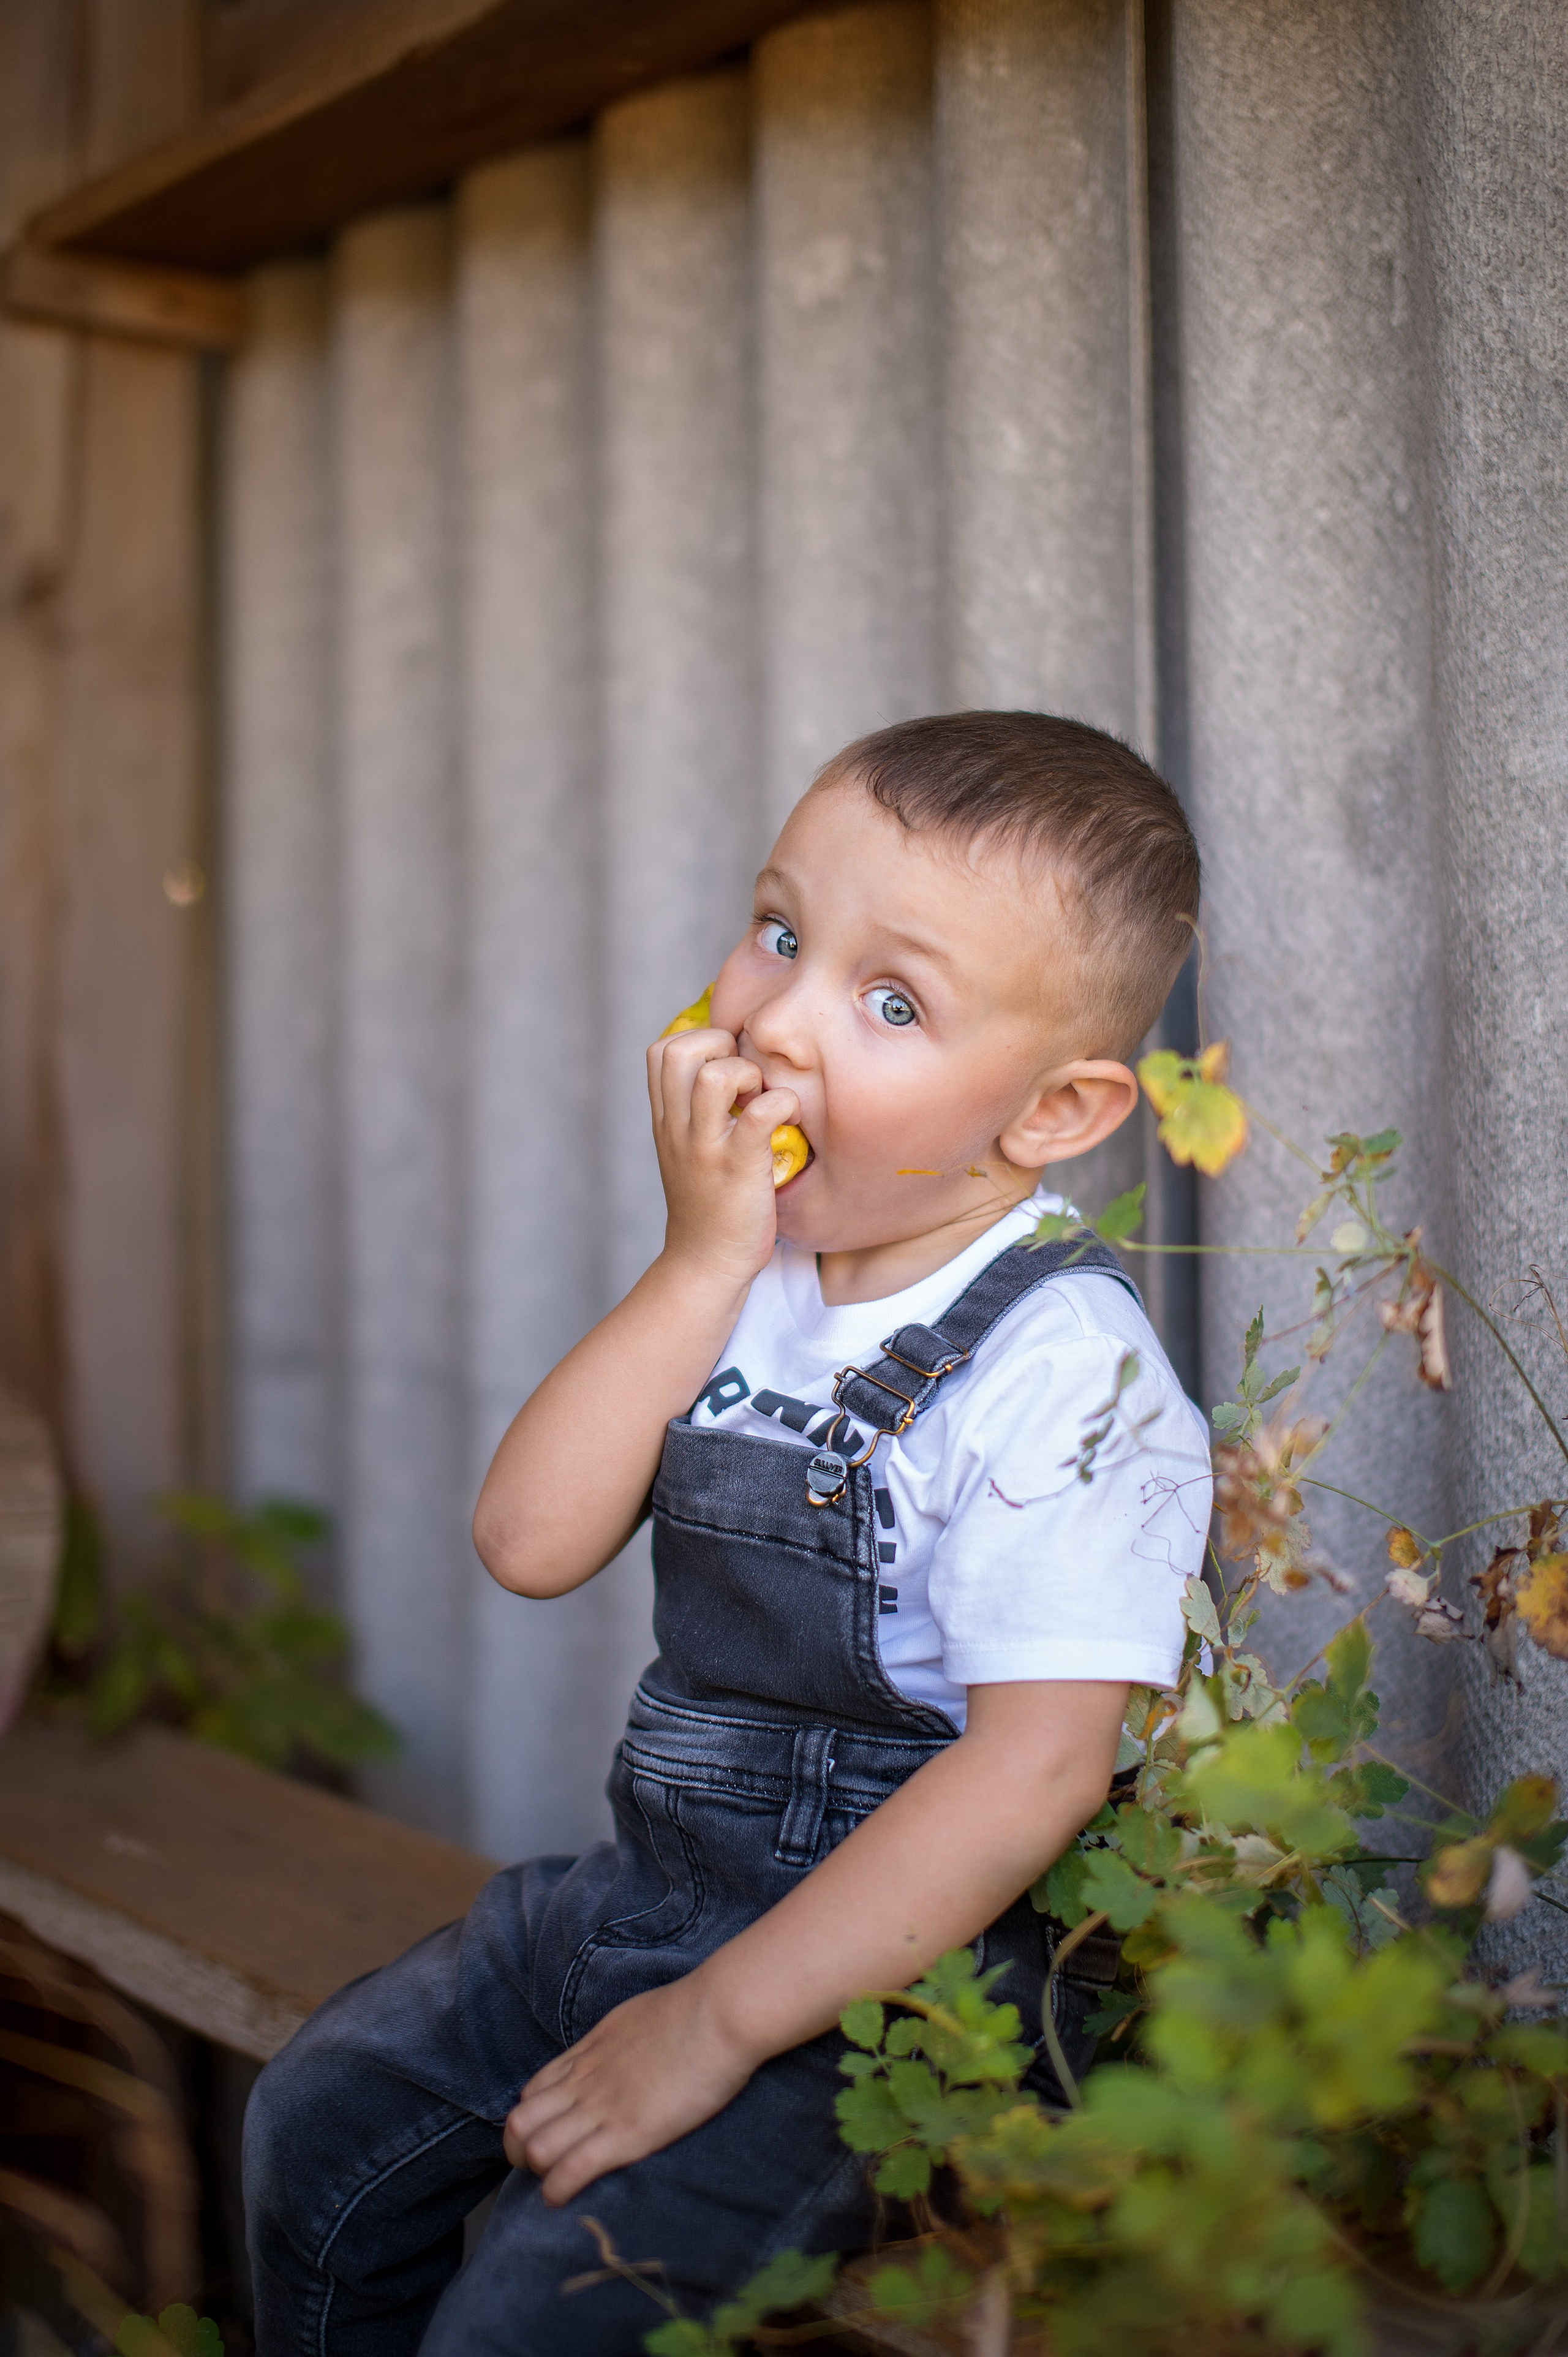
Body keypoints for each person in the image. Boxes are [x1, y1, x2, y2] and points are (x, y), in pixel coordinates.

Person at [244, 710, 1212, 2355]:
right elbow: (528, 1542)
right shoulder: (748, 1270)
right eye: (778, 931)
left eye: (892, 1003)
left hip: (894, 1992)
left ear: (1054, 1112)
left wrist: (716, 2024)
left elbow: (1036, 1775)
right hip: (654, 1894)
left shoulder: (1064, 1369)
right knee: (315, 2126)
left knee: (533, 2309)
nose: (776, 1018)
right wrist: (697, 1262)